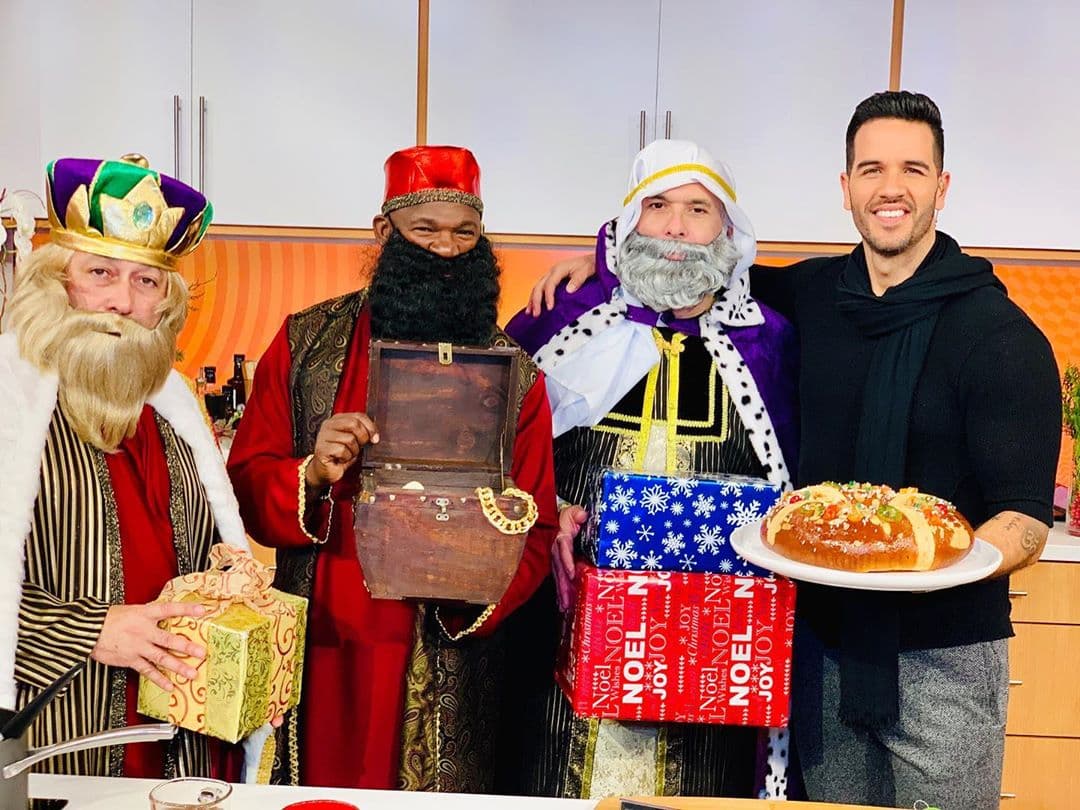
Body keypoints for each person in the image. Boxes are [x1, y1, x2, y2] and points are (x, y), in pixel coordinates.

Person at [526, 91, 1061, 810]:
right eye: (871, 169)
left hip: (942, 655)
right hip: (821, 649)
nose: (891, 188)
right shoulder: (814, 296)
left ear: (942, 185)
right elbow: (689, 269)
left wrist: (924, 572)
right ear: (846, 189)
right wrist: (597, 262)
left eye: (912, 168)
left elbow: (1025, 517)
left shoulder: (1002, 338)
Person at [226, 145, 558, 791]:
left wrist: (472, 576)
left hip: (447, 644)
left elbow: (537, 525)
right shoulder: (305, 342)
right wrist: (313, 473)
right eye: (425, 230)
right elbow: (245, 479)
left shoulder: (515, 372)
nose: (446, 249)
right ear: (385, 233)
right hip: (325, 629)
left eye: (465, 233)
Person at [503, 139, 798, 800]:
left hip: (716, 640)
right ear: (628, 219)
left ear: (727, 231)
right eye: (657, 205)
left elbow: (791, 485)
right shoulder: (563, 314)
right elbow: (491, 449)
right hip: (567, 624)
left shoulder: (770, 340)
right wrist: (540, 514)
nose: (675, 227)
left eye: (699, 210)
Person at [0, 154, 253, 778]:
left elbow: (196, 554)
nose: (121, 302)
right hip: (57, 735)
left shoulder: (172, 408)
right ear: (58, 280)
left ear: (165, 302)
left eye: (146, 282)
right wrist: (89, 631)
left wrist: (230, 584)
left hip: (181, 735)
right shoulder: (8, 397)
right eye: (101, 272)